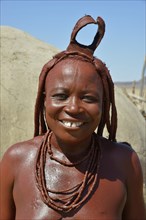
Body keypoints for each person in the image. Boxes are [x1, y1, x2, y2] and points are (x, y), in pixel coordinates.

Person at [0, 15, 145, 220]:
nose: (74, 107)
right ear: (44, 101)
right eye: (61, 96)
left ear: (104, 106)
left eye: (88, 98)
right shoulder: (17, 160)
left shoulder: (124, 162)